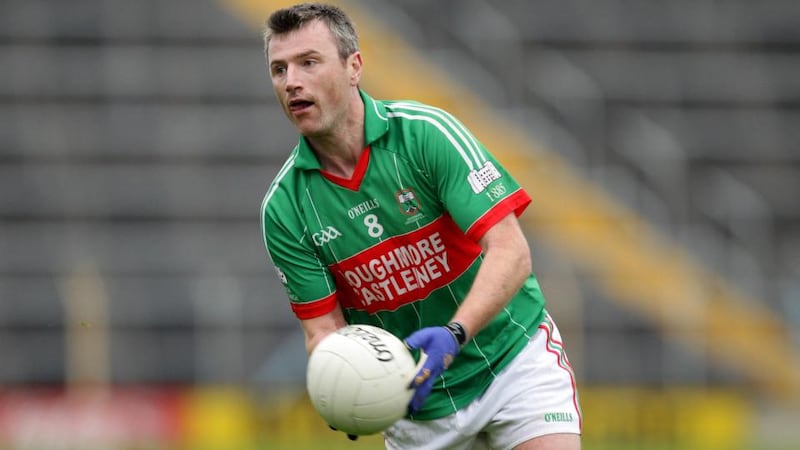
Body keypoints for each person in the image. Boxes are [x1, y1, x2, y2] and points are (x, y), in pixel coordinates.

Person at [260, 3, 581, 449]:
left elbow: (512, 251)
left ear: (354, 67)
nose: (291, 81)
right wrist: (338, 383)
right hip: (414, 403)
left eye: (308, 62)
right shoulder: (284, 207)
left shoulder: (426, 135)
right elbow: (322, 332)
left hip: (512, 360)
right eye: (279, 69)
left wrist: (454, 334)